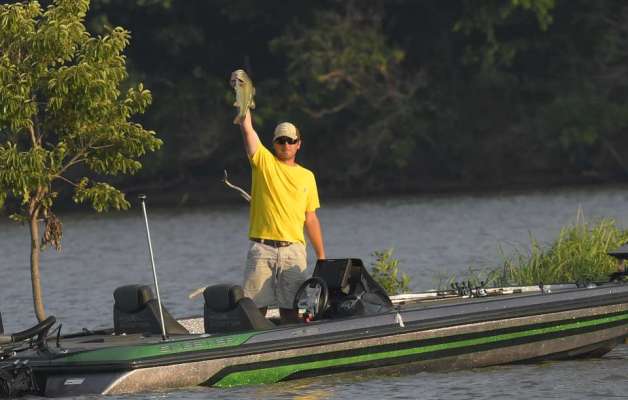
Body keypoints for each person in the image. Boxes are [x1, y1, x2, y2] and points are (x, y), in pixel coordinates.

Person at [238, 109, 326, 323]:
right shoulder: (263, 162)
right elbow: (247, 129)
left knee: (293, 310)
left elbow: (311, 218)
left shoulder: (307, 176)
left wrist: (321, 256)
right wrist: (244, 107)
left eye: (290, 140)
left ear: (298, 144)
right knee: (254, 310)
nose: (286, 145)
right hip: (262, 249)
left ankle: (295, 341)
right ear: (274, 143)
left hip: (294, 251)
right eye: (281, 141)